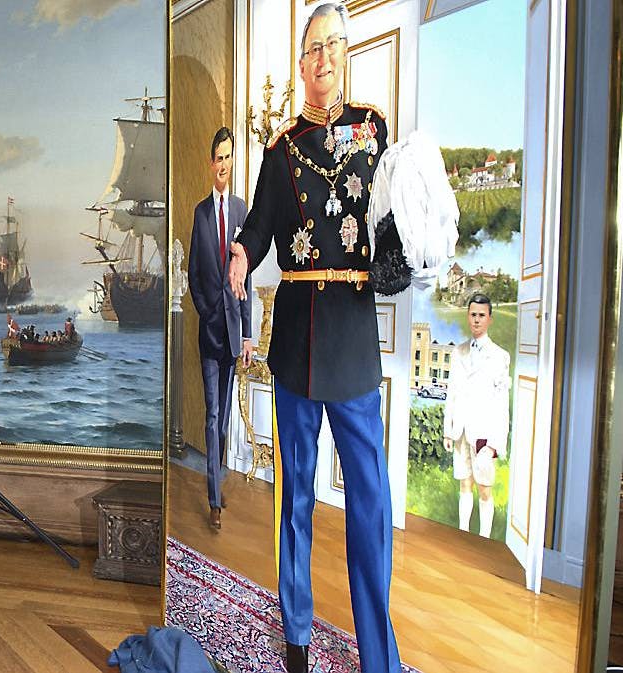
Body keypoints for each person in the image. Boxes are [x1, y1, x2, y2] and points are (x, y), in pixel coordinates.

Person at [227, 4, 400, 671]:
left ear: (345, 54)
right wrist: (242, 252)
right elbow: (261, 224)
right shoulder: (280, 148)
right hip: (296, 341)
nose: (322, 57)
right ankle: (296, 635)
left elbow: (390, 218)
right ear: (300, 66)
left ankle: (377, 655)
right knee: (294, 499)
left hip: (354, 342)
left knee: (371, 506)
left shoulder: (373, 131)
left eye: (333, 45)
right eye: (311, 49)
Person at [188, 126, 252, 530]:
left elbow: (246, 278)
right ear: (211, 164)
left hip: (233, 333)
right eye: (219, 157)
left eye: (229, 157)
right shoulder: (199, 212)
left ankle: (218, 478)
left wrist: (246, 333)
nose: (223, 164)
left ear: (232, 162)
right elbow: (195, 271)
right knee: (212, 416)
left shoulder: (243, 212)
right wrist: (207, 310)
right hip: (209, 331)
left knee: (225, 416)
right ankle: (213, 498)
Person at [443, 293, 510, 538]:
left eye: (482, 315)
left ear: (490, 319)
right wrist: (447, 431)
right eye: (473, 315)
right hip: (460, 429)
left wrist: (495, 444)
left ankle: (484, 539)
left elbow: (502, 405)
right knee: (464, 484)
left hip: (483, 434)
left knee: (484, 488)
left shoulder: (500, 356)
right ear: (467, 317)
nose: (477, 320)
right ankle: (463, 534)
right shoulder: (458, 352)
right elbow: (452, 393)